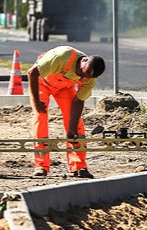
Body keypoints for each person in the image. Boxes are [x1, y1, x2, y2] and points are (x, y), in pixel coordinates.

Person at [27, 46, 106, 178]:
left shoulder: (90, 77)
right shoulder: (62, 57)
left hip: (64, 88)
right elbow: (32, 73)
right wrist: (35, 101)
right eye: (81, 73)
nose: (82, 77)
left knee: (76, 125)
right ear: (84, 60)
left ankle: (79, 166)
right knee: (40, 117)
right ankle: (41, 166)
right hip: (42, 82)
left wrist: (71, 128)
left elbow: (79, 101)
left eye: (85, 77)